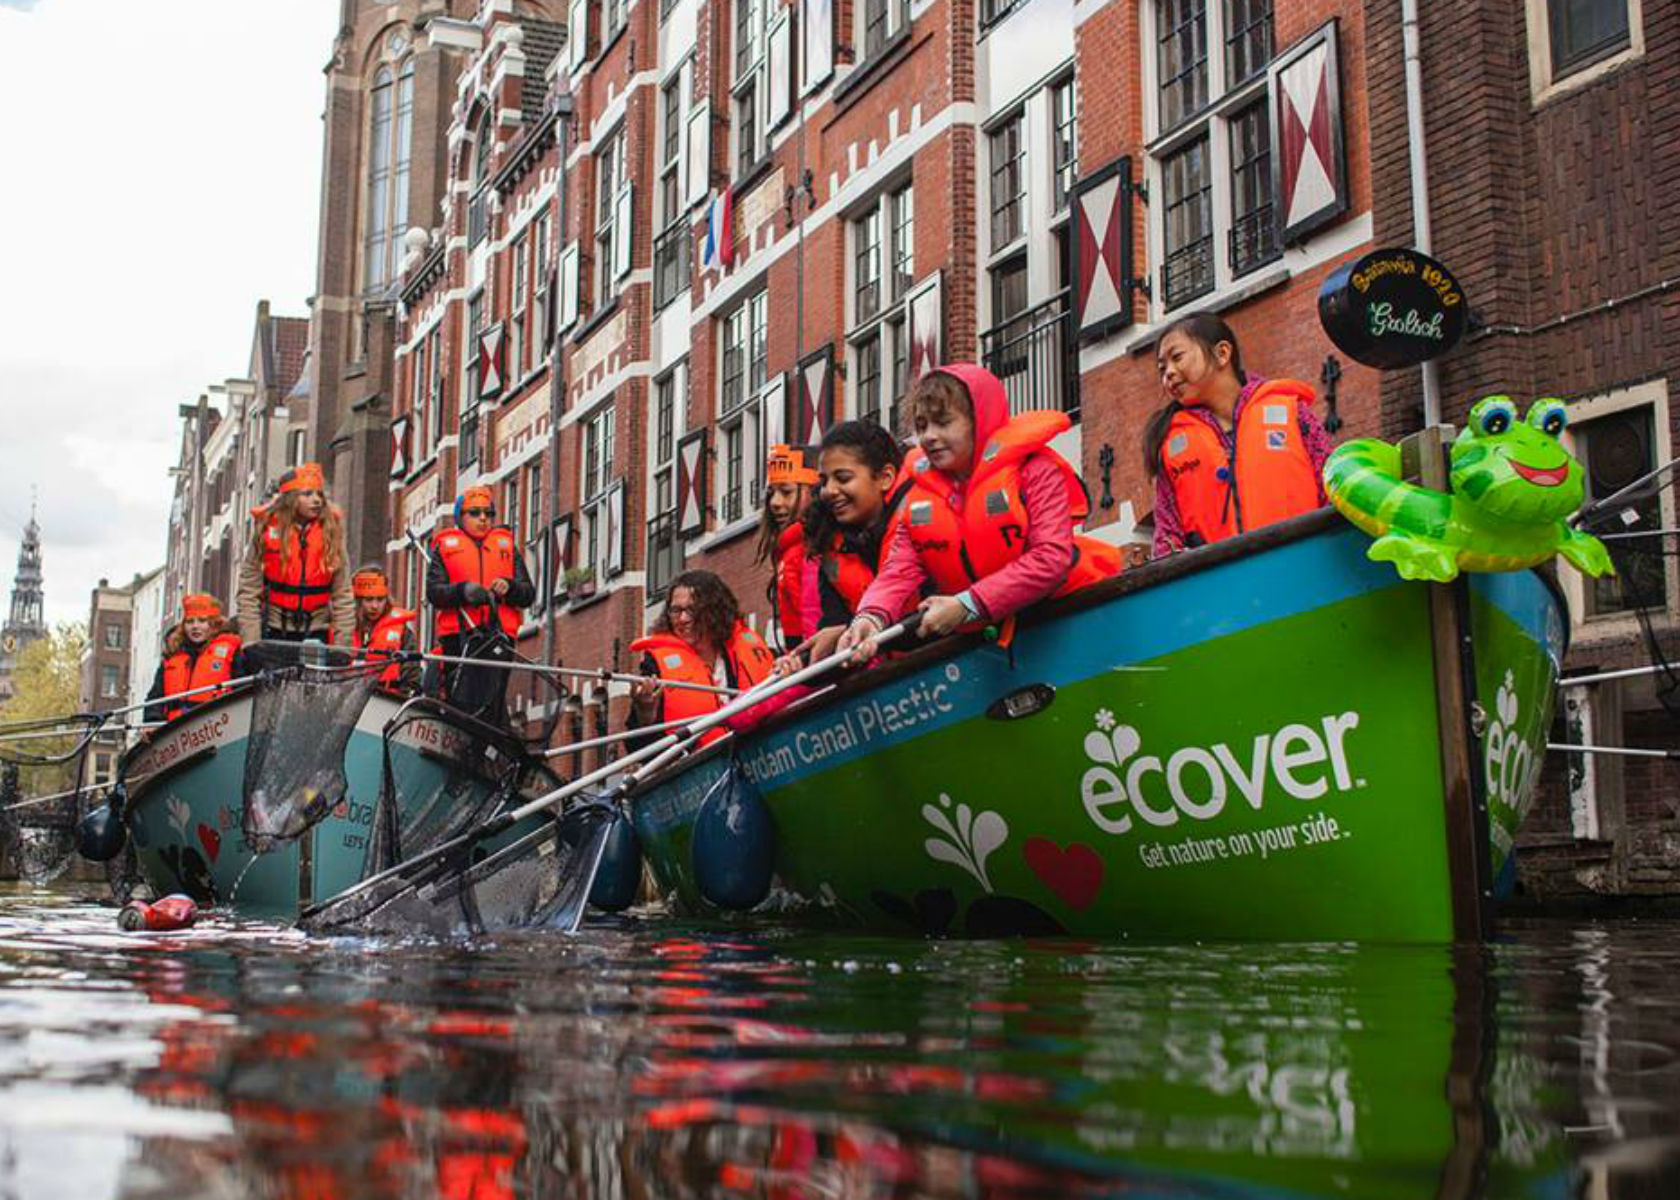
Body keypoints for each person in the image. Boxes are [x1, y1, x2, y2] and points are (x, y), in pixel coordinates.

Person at [838, 364, 1122, 656]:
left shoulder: (1035, 470)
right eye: (922, 426)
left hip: (1074, 615)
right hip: (994, 637)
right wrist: (869, 617)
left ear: (980, 421)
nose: (929, 436)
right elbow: (898, 570)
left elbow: (1051, 557)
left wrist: (967, 605)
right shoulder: (920, 497)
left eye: (944, 422)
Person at [1143, 312, 1332, 556]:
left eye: (1177, 357)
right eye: (1162, 368)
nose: (1168, 372)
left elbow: (1333, 488)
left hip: (1304, 566)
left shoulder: (1293, 413)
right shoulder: (1168, 445)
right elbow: (1167, 538)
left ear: (1222, 353)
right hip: (1223, 583)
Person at [778, 421, 911, 670]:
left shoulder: (921, 526)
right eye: (824, 481)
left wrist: (848, 631)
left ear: (885, 478)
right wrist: (804, 663)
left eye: (843, 478)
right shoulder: (828, 545)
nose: (829, 491)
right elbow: (834, 631)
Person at [628, 570, 776, 746]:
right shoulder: (654, 667)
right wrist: (645, 715)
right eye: (676, 610)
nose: (683, 618)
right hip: (700, 765)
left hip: (761, 754)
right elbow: (638, 748)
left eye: (692, 609)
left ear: (715, 610)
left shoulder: (750, 648)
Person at [428, 486, 535, 721]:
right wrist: (462, 591)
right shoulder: (444, 549)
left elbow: (528, 593)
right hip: (458, 637)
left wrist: (510, 587)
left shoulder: (506, 548)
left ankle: (490, 746)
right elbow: (434, 593)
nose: (483, 518)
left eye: (488, 513)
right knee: (462, 701)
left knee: (492, 702)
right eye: (475, 513)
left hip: (498, 637)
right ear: (461, 517)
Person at [237, 463, 355, 646]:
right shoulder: (265, 532)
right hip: (274, 629)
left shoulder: (332, 534)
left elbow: (343, 595)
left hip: (317, 630)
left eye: (319, 494)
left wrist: (343, 647)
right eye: (307, 494)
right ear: (290, 499)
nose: (316, 500)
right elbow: (248, 591)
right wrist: (251, 642)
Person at [756, 444, 820, 653]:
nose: (774, 502)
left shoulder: (809, 548)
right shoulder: (788, 547)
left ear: (815, 491)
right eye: (772, 493)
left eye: (786, 492)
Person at [144, 594, 244, 722]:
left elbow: (241, 690)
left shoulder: (231, 652)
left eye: (202, 621)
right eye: (190, 621)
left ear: (213, 624)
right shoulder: (172, 656)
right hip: (175, 729)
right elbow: (155, 697)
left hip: (215, 725)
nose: (195, 626)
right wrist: (151, 722)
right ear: (184, 626)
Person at [348, 566, 420, 691]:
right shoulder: (343, 630)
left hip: (388, 698)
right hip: (350, 694)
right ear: (358, 600)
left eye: (380, 599)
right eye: (369, 600)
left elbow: (412, 674)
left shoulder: (402, 632)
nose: (375, 606)